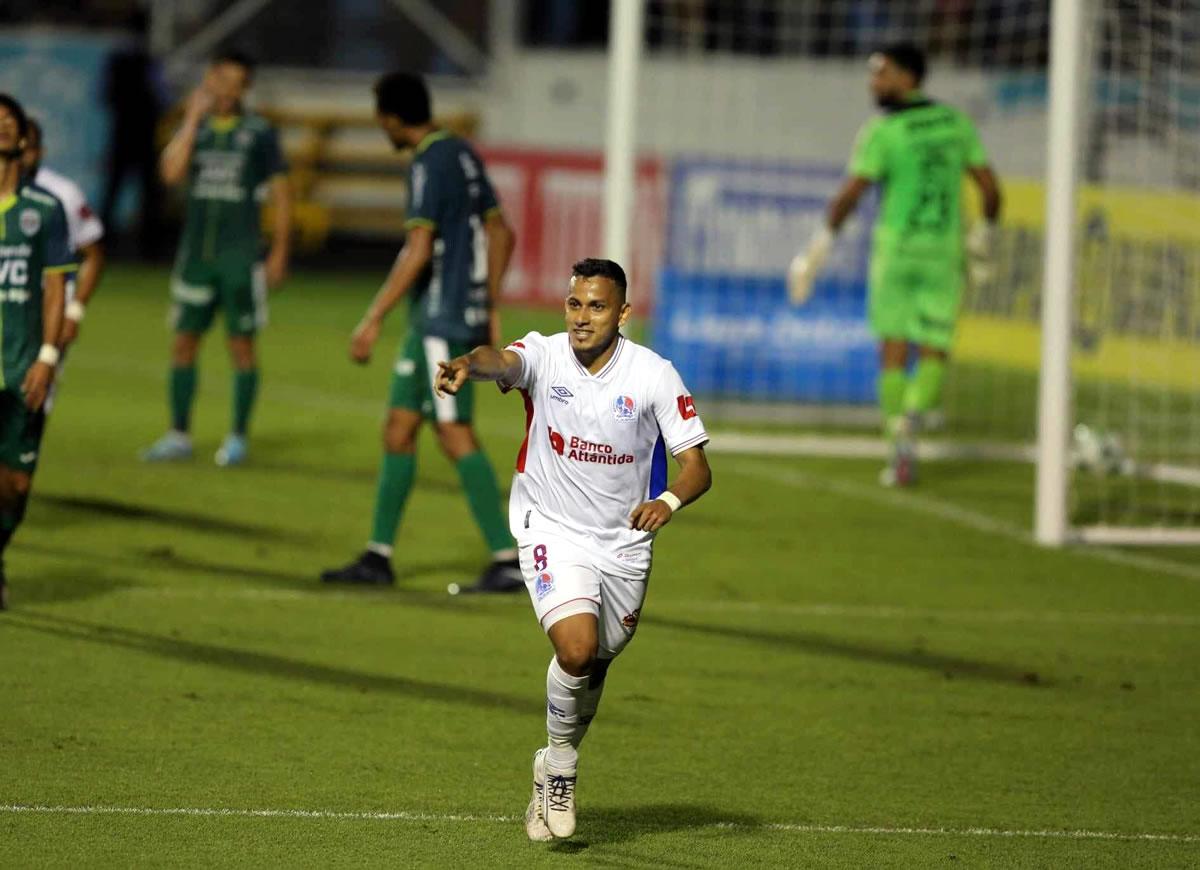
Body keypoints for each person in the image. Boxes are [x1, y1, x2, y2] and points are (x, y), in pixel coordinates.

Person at [434, 258, 713, 839]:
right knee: (578, 648)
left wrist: (667, 502)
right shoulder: (546, 354)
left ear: (623, 313)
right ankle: (562, 768)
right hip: (551, 527)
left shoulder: (653, 375)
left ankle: (549, 761)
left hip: (625, 543)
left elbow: (697, 468)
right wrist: (467, 363)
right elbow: (502, 360)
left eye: (597, 306)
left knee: (595, 663)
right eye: (574, 304)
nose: (582, 318)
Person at [320, 72, 522, 592]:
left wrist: (372, 318)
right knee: (399, 428)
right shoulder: (463, 152)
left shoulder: (428, 162)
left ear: (390, 117)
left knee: (453, 433)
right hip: (440, 319)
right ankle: (378, 556)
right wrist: (491, 301)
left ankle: (508, 558)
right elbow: (502, 230)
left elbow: (418, 248)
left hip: (443, 321)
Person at [788, 42, 1002, 486]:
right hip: (945, 252)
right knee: (936, 344)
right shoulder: (956, 123)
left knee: (893, 348)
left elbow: (852, 194)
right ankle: (914, 414)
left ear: (907, 77)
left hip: (896, 253)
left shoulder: (884, 132)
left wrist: (819, 247)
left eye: (881, 74)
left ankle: (896, 442)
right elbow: (990, 189)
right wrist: (985, 235)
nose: (874, 84)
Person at [143, 51, 291, 467]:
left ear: (246, 87)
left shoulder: (260, 133)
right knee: (183, 344)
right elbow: (170, 175)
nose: (229, 89)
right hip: (195, 257)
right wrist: (191, 119)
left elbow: (281, 192)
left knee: (241, 346)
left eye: (238, 82)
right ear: (210, 80)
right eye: (222, 79)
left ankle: (238, 437)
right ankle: (178, 435)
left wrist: (280, 250)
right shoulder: (196, 130)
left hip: (240, 259)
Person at [0, 95, 74, 610]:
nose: (2, 129)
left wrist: (48, 355)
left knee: (17, 486)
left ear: (25, 140)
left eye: (10, 124)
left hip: (23, 365)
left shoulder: (44, 212)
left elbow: (54, 291)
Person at [20, 118, 106, 399]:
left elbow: (93, 254)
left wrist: (74, 311)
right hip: (7, 309)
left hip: (50, 309)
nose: (22, 156)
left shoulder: (63, 195)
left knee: (37, 397)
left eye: (29, 148)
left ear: (40, 151)